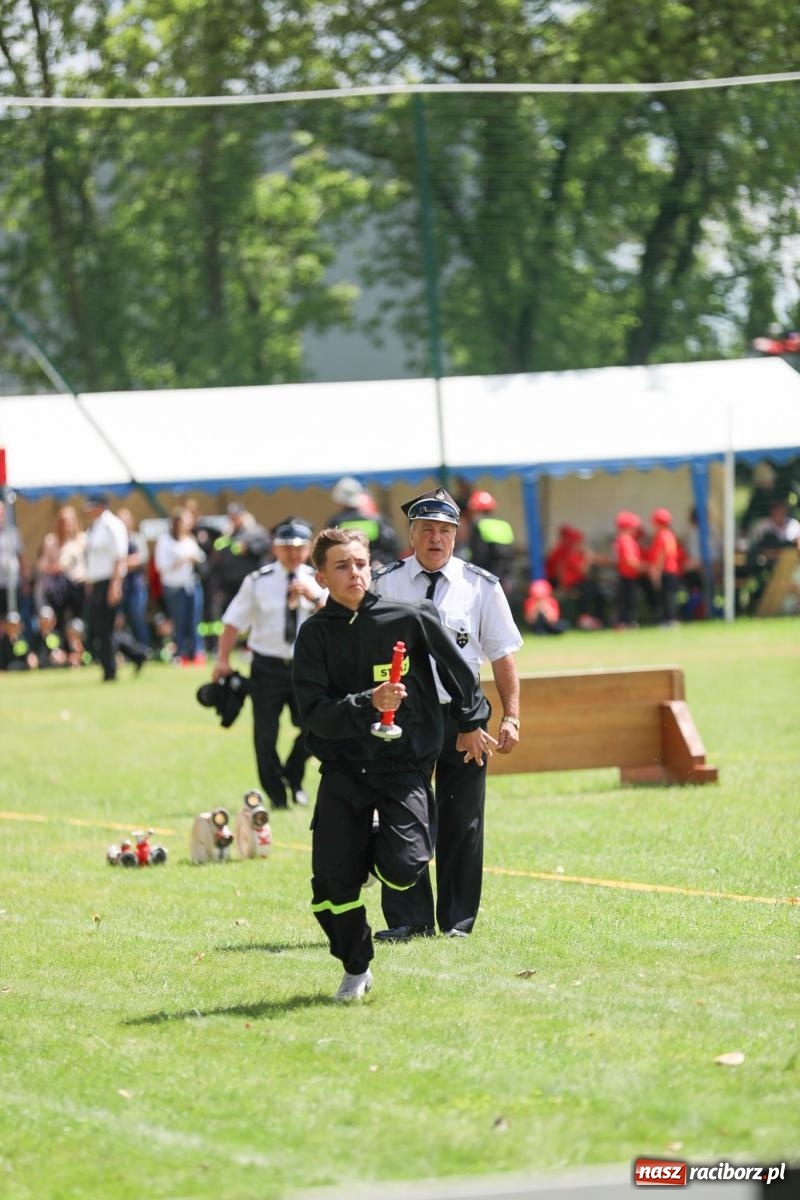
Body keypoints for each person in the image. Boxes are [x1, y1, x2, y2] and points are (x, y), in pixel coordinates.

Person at [292, 527, 491, 1001]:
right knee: (331, 890)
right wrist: (369, 702)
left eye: (361, 564)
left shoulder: (410, 617)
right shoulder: (314, 635)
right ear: (321, 577)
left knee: (405, 868)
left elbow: (462, 674)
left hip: (403, 767)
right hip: (343, 771)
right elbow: (314, 715)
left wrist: (470, 720)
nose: (354, 573)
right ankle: (356, 967)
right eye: (341, 566)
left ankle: (373, 843)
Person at [371, 486, 522, 940]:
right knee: (402, 817)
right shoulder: (385, 584)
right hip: (406, 717)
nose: (435, 538)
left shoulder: (481, 586)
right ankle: (408, 919)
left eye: (444, 530)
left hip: (464, 716)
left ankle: (457, 921)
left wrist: (510, 716)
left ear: (456, 535)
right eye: (426, 529)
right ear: (411, 534)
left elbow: (503, 655)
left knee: (463, 821)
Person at [212, 517, 324, 810]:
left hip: (306, 667)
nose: (293, 553)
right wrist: (222, 659)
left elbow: (338, 616)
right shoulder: (257, 581)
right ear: (275, 548)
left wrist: (313, 598)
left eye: (299, 547)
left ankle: (293, 775)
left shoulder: (319, 579)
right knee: (264, 735)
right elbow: (233, 621)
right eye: (287, 547)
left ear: (309, 549)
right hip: (267, 666)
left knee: (316, 728)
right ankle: (277, 794)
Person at [84, 493, 129, 681]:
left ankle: (110, 670)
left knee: (106, 628)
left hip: (109, 581)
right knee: (98, 627)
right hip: (98, 582)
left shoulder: (112, 525)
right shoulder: (95, 526)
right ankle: (136, 654)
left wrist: (115, 585)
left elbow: (119, 557)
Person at [154, 506, 206, 664]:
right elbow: (160, 566)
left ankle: (197, 653)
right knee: (180, 622)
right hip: (174, 588)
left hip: (192, 585)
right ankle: (181, 653)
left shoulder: (190, 539)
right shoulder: (165, 540)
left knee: (194, 621)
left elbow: (201, 557)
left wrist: (194, 560)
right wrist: (180, 561)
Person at [326, 476, 400, 567]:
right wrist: (383, 563)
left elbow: (327, 550)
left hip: (347, 570)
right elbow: (393, 547)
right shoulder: (376, 520)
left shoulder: (336, 522)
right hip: (375, 569)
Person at [459, 489, 516, 597]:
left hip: (486, 578)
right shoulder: (504, 525)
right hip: (505, 579)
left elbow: (478, 554)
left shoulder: (478, 525)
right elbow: (509, 554)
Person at [647, 508, 680, 626]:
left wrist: (656, 572)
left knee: (667, 596)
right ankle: (670, 619)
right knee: (669, 596)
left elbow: (661, 554)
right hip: (671, 569)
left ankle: (669, 620)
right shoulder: (670, 534)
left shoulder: (662, 535)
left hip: (665, 570)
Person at [613, 510, 643, 629]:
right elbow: (629, 559)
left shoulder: (623, 539)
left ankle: (625, 621)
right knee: (628, 600)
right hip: (627, 575)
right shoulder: (625, 539)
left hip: (628, 575)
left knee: (627, 600)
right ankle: (626, 622)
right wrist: (643, 567)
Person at [0, 498, 28, 620]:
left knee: (12, 617)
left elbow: (22, 557)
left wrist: (25, 580)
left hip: (11, 583)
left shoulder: (13, 533)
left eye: (2, 514)